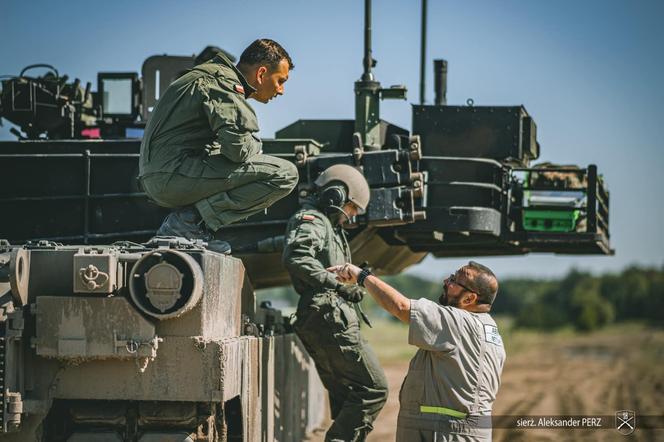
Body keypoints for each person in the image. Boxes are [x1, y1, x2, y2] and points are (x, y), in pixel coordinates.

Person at [139, 39, 299, 254]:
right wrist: (255, 145)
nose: (281, 90)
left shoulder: (210, 77)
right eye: (281, 80)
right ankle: (187, 224)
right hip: (171, 175)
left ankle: (189, 226)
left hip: (166, 173)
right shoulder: (220, 82)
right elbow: (238, 150)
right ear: (261, 74)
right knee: (285, 174)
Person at [328, 261, 506, 442]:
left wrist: (362, 276)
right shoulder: (488, 329)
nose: (446, 281)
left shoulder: (459, 323)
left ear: (469, 299)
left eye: (454, 280)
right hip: (454, 430)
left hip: (446, 433)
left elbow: (401, 307)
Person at [282, 165, 388, 442]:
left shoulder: (325, 226)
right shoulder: (314, 220)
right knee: (373, 389)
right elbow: (298, 257)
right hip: (329, 316)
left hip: (324, 317)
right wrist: (339, 286)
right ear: (335, 195)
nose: (351, 216)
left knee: (347, 394)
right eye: (351, 208)